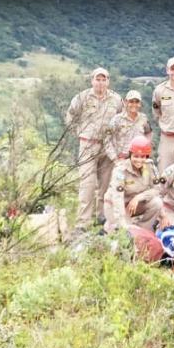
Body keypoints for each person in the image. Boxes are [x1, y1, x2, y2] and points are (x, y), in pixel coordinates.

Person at [65, 67, 124, 229]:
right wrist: (79, 133)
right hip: (88, 145)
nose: (100, 82)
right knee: (87, 184)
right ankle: (83, 222)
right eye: (97, 79)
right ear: (92, 80)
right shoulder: (82, 97)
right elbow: (70, 116)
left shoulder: (116, 100)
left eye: (104, 79)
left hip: (107, 147)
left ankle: (101, 219)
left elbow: (122, 120)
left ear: (108, 81)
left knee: (106, 185)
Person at [103, 135, 162, 234]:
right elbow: (117, 198)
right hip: (116, 205)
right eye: (136, 156)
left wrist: (139, 197)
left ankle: (144, 230)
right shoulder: (120, 170)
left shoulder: (149, 166)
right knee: (123, 233)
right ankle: (111, 225)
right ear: (130, 155)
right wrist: (122, 223)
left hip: (133, 204)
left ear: (146, 156)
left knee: (157, 202)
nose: (139, 160)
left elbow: (157, 189)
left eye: (142, 156)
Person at [105, 90, 152, 163]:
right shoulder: (116, 119)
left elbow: (149, 133)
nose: (134, 104)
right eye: (131, 102)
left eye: (137, 102)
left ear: (140, 104)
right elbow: (107, 139)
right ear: (126, 102)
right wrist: (115, 158)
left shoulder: (144, 118)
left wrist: (146, 151)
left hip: (139, 160)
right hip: (121, 160)